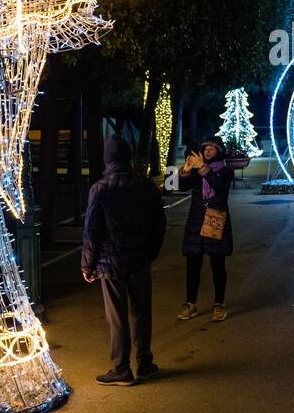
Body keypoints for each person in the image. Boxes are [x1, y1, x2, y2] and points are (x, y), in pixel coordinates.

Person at [81, 134, 167, 386]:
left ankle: (121, 368)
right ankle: (145, 363)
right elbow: (159, 224)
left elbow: (92, 232)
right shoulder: (145, 185)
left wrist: (88, 265)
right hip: (140, 259)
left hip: (110, 263)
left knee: (116, 317)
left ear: (107, 160)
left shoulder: (100, 189)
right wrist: (151, 252)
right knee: (141, 312)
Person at [178, 137, 234, 321]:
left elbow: (219, 186)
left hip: (216, 219)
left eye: (213, 148)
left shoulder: (225, 171)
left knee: (217, 264)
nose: (209, 151)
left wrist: (203, 168)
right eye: (206, 148)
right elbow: (180, 187)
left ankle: (219, 303)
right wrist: (186, 169)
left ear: (219, 151)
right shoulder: (197, 172)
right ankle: (190, 303)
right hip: (196, 221)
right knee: (193, 264)